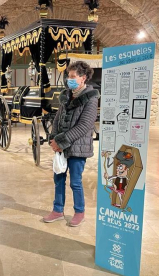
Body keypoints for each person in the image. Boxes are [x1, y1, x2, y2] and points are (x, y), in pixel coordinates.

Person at [43, 61, 99, 227]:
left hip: (77, 148)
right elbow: (58, 119)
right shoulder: (66, 95)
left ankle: (79, 212)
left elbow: (85, 125)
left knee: (75, 182)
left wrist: (61, 141)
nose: (69, 79)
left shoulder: (91, 97)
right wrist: (53, 139)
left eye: (73, 76)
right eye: (68, 76)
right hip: (61, 147)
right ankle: (58, 210)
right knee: (58, 179)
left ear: (83, 78)